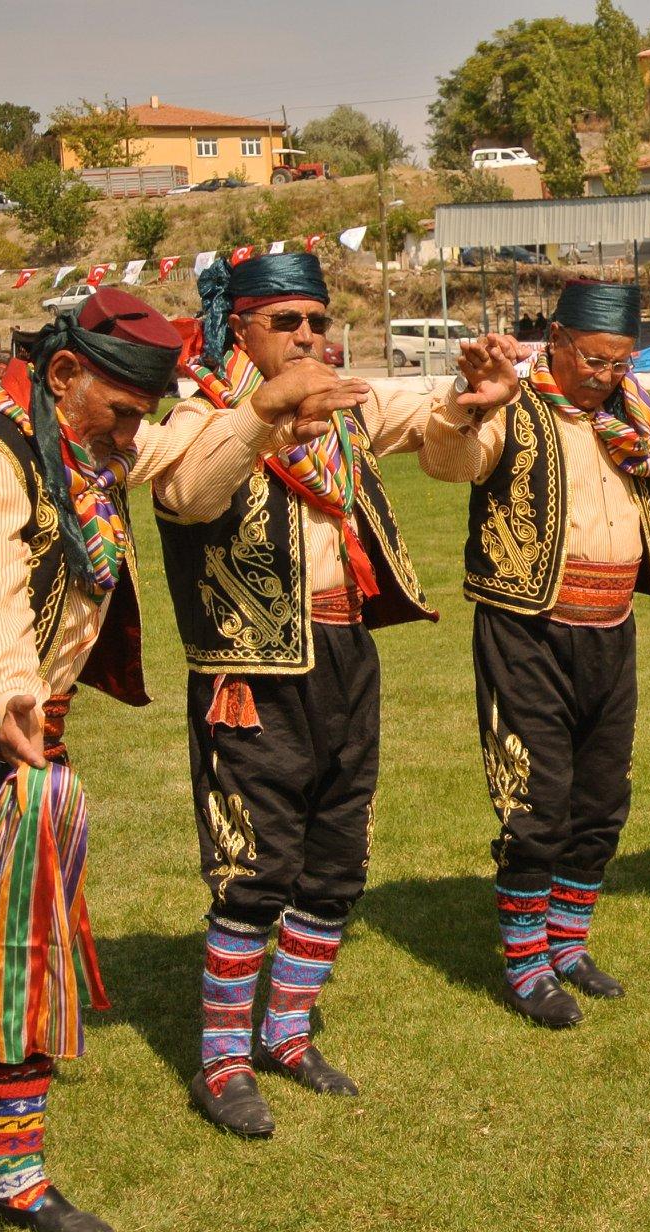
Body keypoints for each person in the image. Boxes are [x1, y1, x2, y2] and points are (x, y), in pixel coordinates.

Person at [0, 290, 283, 1232]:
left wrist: (269, 412)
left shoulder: (85, 450)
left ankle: (10, 1175)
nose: (135, 436)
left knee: (27, 955)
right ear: (64, 378)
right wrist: (13, 688)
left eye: (143, 416)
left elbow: (184, 465)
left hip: (24, 750)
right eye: (124, 413)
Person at [158, 253, 519, 1138]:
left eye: (318, 321)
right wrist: (265, 415)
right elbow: (186, 493)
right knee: (253, 869)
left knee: (336, 858)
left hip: (345, 652)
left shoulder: (342, 407)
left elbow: (437, 432)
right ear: (236, 328)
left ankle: (285, 1034)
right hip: (253, 671)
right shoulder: (201, 415)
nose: (311, 337)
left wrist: (471, 396)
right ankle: (220, 1060)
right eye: (288, 322)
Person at [418, 282, 650, 1027]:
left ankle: (568, 945)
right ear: (559, 342)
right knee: (535, 801)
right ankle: (526, 962)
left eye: (620, 361)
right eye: (595, 359)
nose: (607, 374)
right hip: (527, 629)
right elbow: (449, 462)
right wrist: (466, 403)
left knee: (601, 801)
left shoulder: (629, 415)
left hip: (612, 627)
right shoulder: (513, 405)